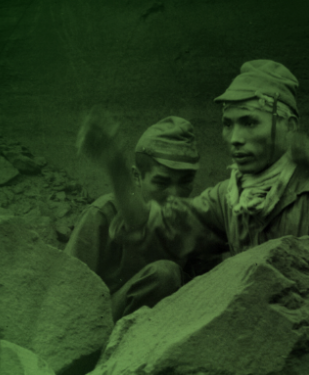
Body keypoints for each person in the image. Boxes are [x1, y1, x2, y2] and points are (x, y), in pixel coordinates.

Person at [76, 60, 309, 262]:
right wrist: (115, 166)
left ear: (288, 126)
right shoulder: (227, 198)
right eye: (228, 123)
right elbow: (151, 227)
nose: (233, 137)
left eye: (249, 122)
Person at [65, 116, 216, 321]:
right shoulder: (104, 213)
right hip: (96, 327)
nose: (175, 194)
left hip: (166, 332)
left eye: (185, 182)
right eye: (162, 182)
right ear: (136, 177)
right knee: (165, 274)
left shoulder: (194, 225)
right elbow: (65, 288)